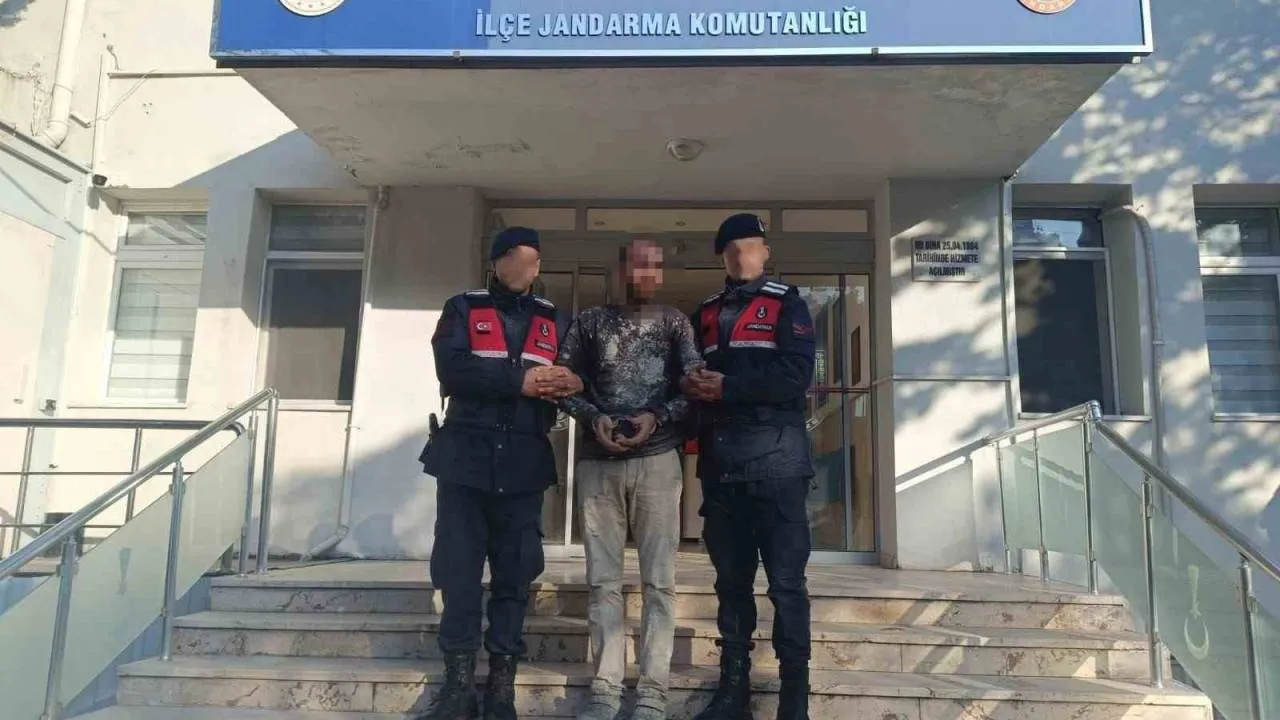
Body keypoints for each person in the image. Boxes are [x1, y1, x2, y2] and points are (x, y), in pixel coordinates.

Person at [418, 226, 583, 720]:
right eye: (517, 256)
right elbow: (452, 369)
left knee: (516, 574)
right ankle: (458, 686)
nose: (528, 267)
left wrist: (573, 380)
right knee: (459, 572)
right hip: (465, 458)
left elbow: (574, 375)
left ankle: (501, 687)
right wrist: (519, 382)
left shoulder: (555, 319)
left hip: (524, 462)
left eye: (535, 259)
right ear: (496, 261)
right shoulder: (462, 308)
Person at [556, 238, 704, 720]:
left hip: (658, 463)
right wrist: (592, 417)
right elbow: (560, 383)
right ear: (619, 269)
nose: (647, 274)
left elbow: (696, 386)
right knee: (603, 581)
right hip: (598, 465)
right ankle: (605, 687)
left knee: (659, 581)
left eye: (655, 266)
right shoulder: (588, 323)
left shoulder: (675, 323)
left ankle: (653, 690)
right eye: (640, 265)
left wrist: (657, 417)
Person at [683, 214, 817, 720]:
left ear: (765, 253)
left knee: (786, 585)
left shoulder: (787, 303)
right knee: (731, 586)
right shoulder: (705, 312)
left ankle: (793, 698)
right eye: (733, 249)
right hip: (722, 468)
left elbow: (797, 374)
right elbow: (690, 375)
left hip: (778, 465)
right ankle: (732, 691)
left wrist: (729, 388)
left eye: (751, 247)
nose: (742, 256)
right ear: (723, 256)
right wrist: (690, 386)